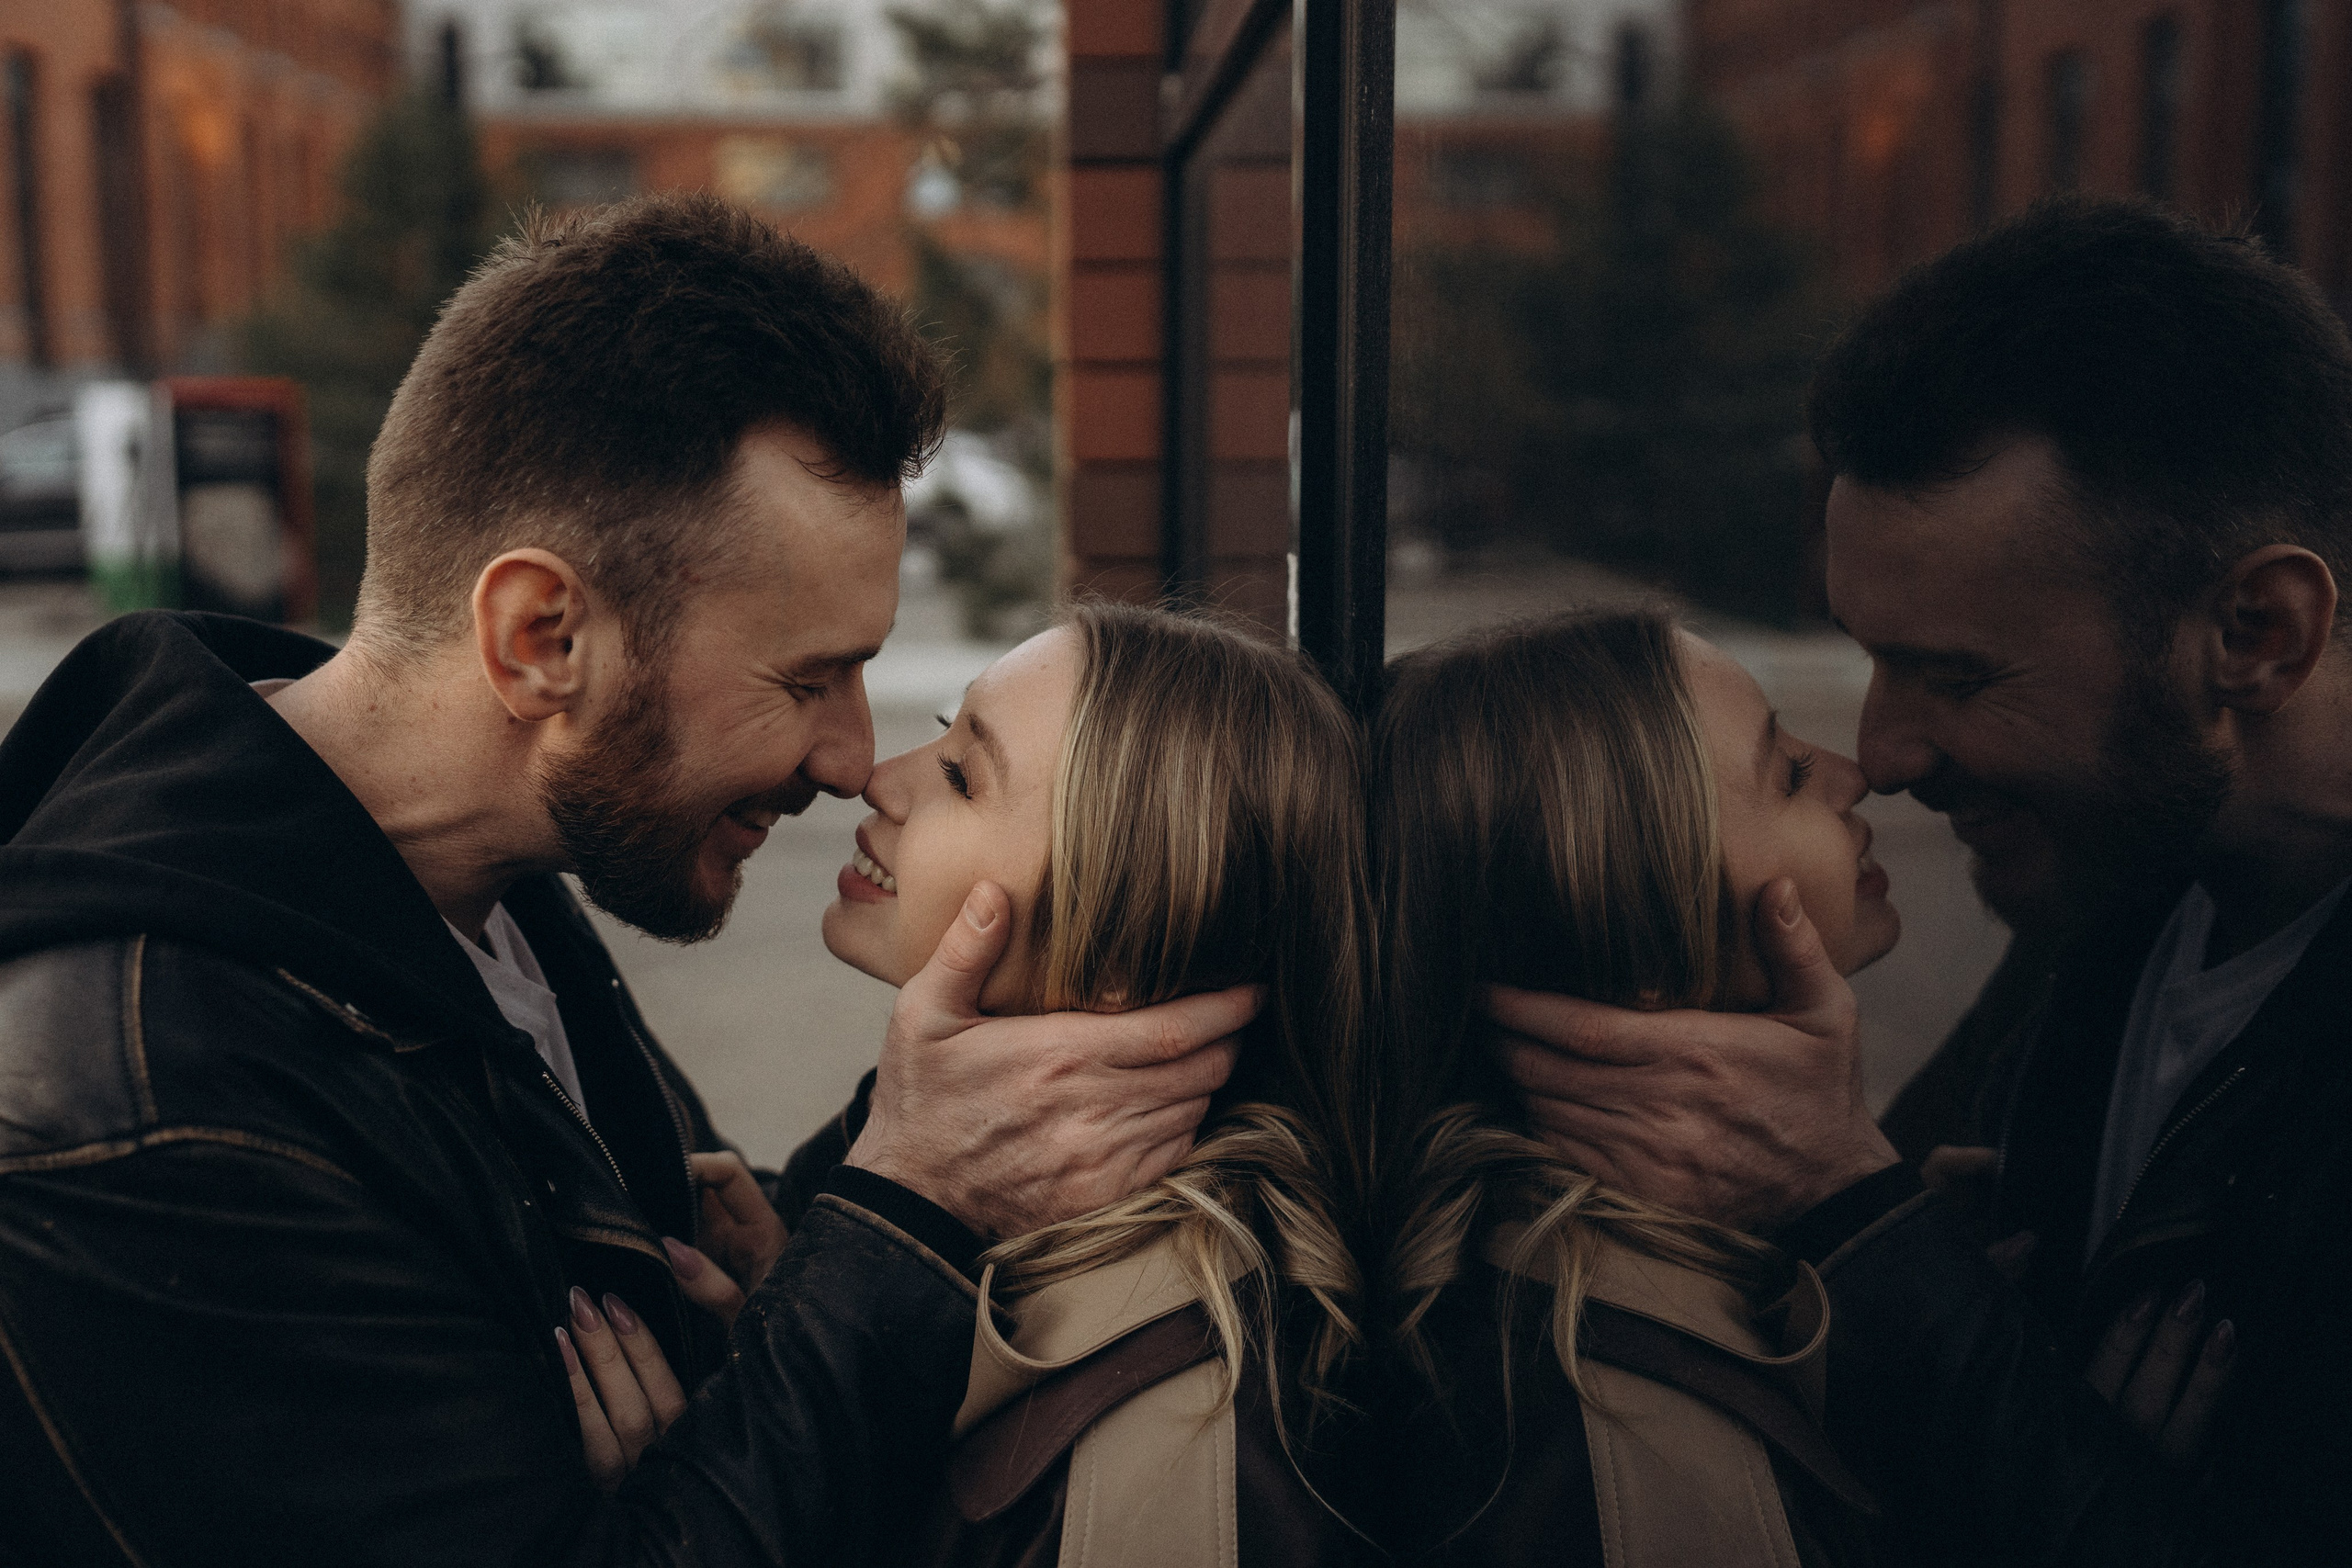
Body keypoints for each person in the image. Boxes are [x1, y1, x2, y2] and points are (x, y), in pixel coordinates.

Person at [0, 195, 1250, 1566]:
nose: (851, 757)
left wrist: (828, 1239)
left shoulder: (480, 880)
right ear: (543, 638)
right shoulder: (150, 1101)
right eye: (806, 676)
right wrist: (908, 1212)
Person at [1492, 197, 2346, 1562]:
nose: (1882, 752)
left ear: (2256, 631)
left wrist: (1859, 1227)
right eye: (1873, 653)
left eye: (1959, 674)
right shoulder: (2107, 889)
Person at [565, 602, 1378, 1565]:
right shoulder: (1017, 1258)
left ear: (1119, 946)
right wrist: (770, 1393)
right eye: (941, 730)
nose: (878, 778)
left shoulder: (1174, 1432)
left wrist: (707, 1514)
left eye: (961, 774)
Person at [1367, 609, 1890, 1565]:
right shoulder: (1622, 1430)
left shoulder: (1717, 1287)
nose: (1854, 775)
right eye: (1788, 775)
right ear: (1639, 935)